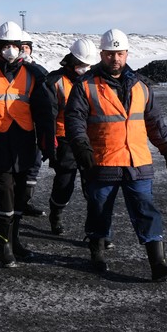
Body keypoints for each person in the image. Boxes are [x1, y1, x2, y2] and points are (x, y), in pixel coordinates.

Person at [65, 28, 167, 282]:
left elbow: (154, 121)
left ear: (127, 53)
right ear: (101, 54)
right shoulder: (85, 86)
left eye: (119, 53)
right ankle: (97, 251)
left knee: (146, 209)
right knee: (99, 209)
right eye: (109, 54)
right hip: (103, 160)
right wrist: (82, 147)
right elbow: (74, 120)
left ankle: (158, 264)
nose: (115, 59)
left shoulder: (141, 86)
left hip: (137, 161)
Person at [0, 21, 55, 268]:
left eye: (13, 46)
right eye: (4, 45)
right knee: (5, 189)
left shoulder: (34, 74)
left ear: (20, 47)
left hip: (24, 139)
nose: (9, 50)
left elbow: (44, 111)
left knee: (20, 193)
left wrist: (48, 143)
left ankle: (14, 240)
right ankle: (3, 243)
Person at [44, 38, 100, 235]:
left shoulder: (96, 79)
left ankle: (97, 231)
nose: (86, 68)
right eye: (82, 65)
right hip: (64, 139)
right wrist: (50, 144)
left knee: (93, 186)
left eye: (89, 65)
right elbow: (48, 116)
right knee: (64, 184)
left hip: (89, 139)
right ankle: (56, 214)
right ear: (72, 60)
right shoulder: (55, 81)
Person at [19, 30, 49, 217]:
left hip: (34, 126)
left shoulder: (38, 70)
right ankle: (14, 202)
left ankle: (25, 202)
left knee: (34, 163)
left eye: (27, 47)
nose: (23, 51)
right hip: (14, 126)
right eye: (20, 47)